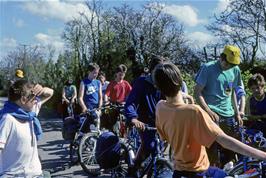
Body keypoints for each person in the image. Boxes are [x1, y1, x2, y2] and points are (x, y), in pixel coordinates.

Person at [153, 62, 266, 178]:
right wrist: (262, 155)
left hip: (178, 171)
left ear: (157, 86)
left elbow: (165, 135)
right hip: (199, 172)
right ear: (180, 81)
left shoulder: (160, 107)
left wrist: (187, 97)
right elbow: (224, 141)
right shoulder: (194, 112)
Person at [194, 45, 243, 166]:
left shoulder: (235, 70)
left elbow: (232, 94)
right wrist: (209, 112)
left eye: (233, 65)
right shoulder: (207, 68)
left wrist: (237, 113)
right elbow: (197, 92)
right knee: (212, 154)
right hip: (211, 115)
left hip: (229, 115)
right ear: (221, 58)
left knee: (230, 154)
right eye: (228, 64)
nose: (230, 67)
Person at [0, 80, 54, 177]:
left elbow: (50, 93)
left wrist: (42, 90)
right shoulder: (8, 119)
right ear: (23, 100)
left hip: (35, 174)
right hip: (14, 175)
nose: (36, 100)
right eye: (34, 98)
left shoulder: (29, 113)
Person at [78, 63, 102, 131]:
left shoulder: (98, 82)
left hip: (96, 109)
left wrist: (100, 107)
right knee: (86, 129)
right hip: (87, 108)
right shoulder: (84, 82)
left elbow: (100, 97)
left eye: (97, 73)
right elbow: (80, 98)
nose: (96, 75)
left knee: (96, 129)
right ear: (89, 72)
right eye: (94, 73)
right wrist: (84, 108)